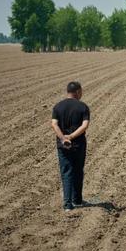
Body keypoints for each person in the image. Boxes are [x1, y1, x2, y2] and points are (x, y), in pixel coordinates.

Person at [51, 81, 90, 212]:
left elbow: (54, 124)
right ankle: (77, 200)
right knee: (78, 171)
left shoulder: (57, 107)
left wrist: (63, 138)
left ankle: (67, 204)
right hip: (78, 144)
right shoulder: (83, 107)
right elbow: (84, 126)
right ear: (78, 92)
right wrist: (71, 137)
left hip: (62, 146)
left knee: (66, 172)